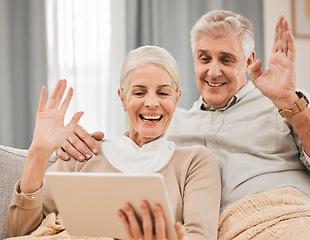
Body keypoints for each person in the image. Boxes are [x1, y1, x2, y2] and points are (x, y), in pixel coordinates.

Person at [57, 10, 310, 239]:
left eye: (226, 59)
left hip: (291, 218)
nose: (213, 71)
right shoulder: (172, 123)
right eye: (204, 58)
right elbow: (125, 160)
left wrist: (288, 102)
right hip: (222, 229)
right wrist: (74, 141)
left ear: (247, 61)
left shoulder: (288, 102)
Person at [6, 46, 221, 240]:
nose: (152, 103)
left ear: (176, 98)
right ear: (122, 98)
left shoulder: (194, 162)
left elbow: (200, 236)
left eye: (163, 93)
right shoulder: (84, 152)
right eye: (139, 92)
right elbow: (20, 232)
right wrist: (38, 154)